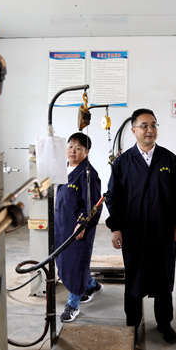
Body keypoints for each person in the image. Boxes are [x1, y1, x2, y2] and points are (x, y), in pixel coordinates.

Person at [105, 108, 176, 344]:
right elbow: (112, 197)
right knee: (134, 279)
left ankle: (164, 323)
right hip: (134, 232)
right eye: (144, 125)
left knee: (164, 280)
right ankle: (132, 325)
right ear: (133, 130)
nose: (150, 129)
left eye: (153, 124)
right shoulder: (123, 162)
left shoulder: (168, 159)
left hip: (164, 232)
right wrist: (116, 227)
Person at [55, 132, 104, 323]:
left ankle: (73, 304)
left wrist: (83, 224)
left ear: (87, 152)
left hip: (78, 230)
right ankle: (91, 285)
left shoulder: (89, 175)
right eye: (70, 146)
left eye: (78, 148)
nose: (72, 151)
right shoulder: (63, 169)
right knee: (63, 263)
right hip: (61, 226)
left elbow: (93, 205)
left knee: (75, 265)